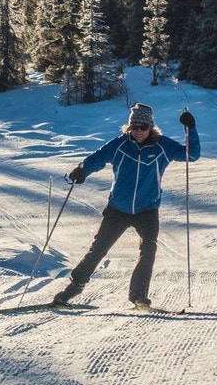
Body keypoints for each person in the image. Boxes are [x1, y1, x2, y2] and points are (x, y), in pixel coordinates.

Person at [54, 102, 200, 309]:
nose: (138, 132)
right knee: (98, 249)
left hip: (148, 209)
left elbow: (192, 155)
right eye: (134, 127)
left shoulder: (163, 146)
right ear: (129, 127)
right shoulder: (120, 144)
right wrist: (82, 169)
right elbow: (98, 157)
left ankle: (138, 296)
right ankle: (73, 288)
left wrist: (190, 129)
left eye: (143, 127)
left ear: (151, 127)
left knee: (148, 249)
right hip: (118, 209)